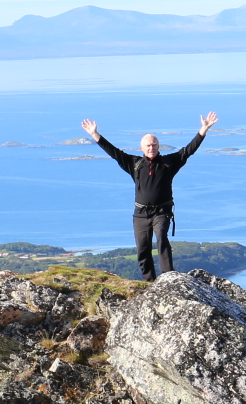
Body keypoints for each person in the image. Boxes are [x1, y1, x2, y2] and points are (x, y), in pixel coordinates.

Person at [80, 112, 219, 281]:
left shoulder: (169, 163)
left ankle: (169, 279)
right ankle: (149, 283)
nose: (151, 148)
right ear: (142, 148)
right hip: (140, 214)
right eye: (148, 146)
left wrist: (203, 130)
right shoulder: (134, 164)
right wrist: (95, 134)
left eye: (154, 145)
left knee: (161, 238)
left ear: (158, 146)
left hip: (162, 212)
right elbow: (114, 152)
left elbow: (188, 150)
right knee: (142, 249)